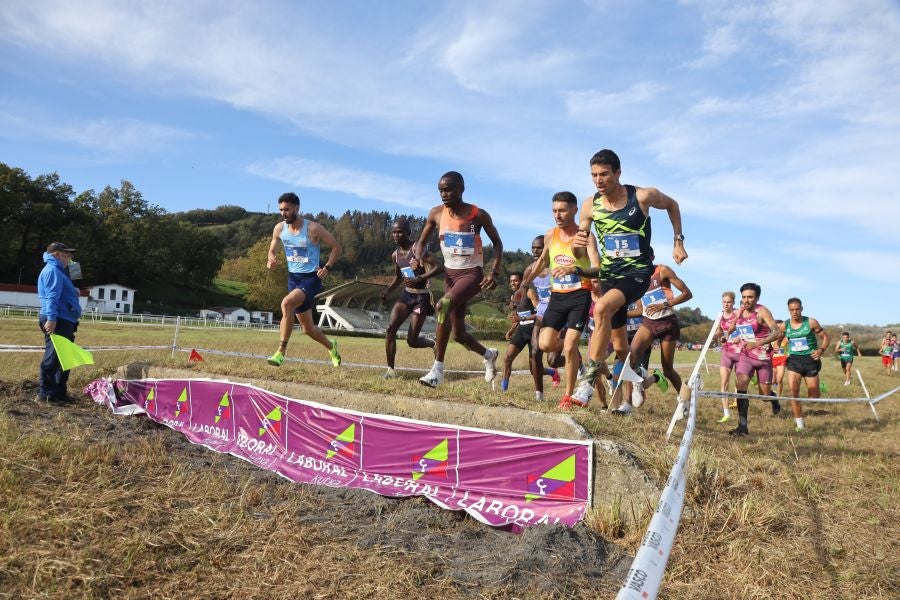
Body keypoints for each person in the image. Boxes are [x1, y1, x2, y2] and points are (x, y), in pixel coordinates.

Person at [572, 149, 688, 400]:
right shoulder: (590, 204)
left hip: (637, 273)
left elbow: (672, 205)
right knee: (621, 345)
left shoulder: (643, 196)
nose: (598, 180)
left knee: (602, 308)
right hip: (609, 276)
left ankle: (588, 382)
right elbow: (579, 249)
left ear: (618, 173)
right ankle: (639, 379)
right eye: (593, 175)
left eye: (604, 174)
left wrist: (678, 241)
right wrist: (578, 242)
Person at [414, 171, 503, 388]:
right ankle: (489, 354)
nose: (444, 194)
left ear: (461, 189)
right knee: (459, 335)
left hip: (472, 274)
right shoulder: (435, 214)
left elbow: (498, 244)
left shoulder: (478, 215)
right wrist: (417, 258)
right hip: (450, 275)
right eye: (441, 190)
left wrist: (495, 271)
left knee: (443, 305)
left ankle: (437, 371)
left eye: (449, 189)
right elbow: (421, 242)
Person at [515, 191, 601, 410]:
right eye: (554, 210)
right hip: (557, 297)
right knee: (544, 344)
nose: (557, 215)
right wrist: (526, 283)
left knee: (570, 346)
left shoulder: (585, 236)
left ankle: (568, 396)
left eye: (562, 210)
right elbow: (543, 261)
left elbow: (598, 269)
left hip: (579, 296)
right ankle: (574, 353)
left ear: (574, 210)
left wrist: (576, 268)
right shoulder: (550, 235)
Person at [266, 192, 342, 368]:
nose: (283, 213)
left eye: (287, 209)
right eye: (281, 210)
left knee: (286, 304)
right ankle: (332, 347)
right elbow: (272, 250)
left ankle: (280, 353)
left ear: (297, 208)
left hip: (311, 279)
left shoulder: (313, 229)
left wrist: (328, 267)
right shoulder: (279, 229)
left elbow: (336, 248)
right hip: (293, 279)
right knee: (308, 329)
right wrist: (271, 259)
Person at [611, 251, 692, 414]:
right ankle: (628, 404)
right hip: (648, 323)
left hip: (668, 323)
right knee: (629, 357)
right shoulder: (637, 279)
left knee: (668, 369)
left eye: (644, 257)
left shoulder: (662, 271)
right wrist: (618, 311)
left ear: (651, 258)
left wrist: (665, 305)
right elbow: (641, 310)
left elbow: (687, 294)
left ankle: (685, 403)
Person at [379, 218, 442, 379]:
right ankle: (391, 371)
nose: (396, 235)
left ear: (408, 232)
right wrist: (387, 291)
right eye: (393, 232)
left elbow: (439, 267)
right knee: (390, 329)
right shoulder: (395, 255)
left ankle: (433, 344)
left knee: (412, 341)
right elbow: (398, 276)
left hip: (421, 297)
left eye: (399, 231)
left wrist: (420, 277)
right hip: (406, 295)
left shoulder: (418, 249)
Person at [723, 283, 782, 437]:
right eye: (744, 297)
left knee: (764, 396)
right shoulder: (739, 312)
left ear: (757, 298)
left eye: (750, 297)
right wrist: (734, 337)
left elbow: (776, 332)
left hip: (763, 359)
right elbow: (736, 329)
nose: (746, 300)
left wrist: (758, 343)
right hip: (746, 356)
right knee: (740, 383)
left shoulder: (762, 312)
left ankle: (773, 397)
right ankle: (742, 426)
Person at [37, 242, 83, 403]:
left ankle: (59, 392)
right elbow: (51, 296)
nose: (70, 258)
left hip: (66, 318)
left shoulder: (61, 272)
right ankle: (46, 394)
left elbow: (61, 293)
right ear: (57, 255)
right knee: (54, 357)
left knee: (65, 357)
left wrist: (73, 291)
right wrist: (51, 318)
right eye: (66, 254)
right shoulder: (52, 271)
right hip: (58, 319)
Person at [781, 298, 830, 432]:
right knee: (793, 393)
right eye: (792, 310)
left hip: (810, 360)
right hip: (794, 361)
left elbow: (826, 337)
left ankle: (818, 387)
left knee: (813, 398)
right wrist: (773, 346)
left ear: (802, 309)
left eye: (797, 309)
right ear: (788, 310)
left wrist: (821, 350)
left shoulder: (811, 322)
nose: (795, 312)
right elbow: (778, 337)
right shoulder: (785, 325)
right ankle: (800, 425)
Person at [500, 271, 539, 393]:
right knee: (507, 357)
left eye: (515, 280)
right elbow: (518, 317)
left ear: (522, 281)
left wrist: (522, 318)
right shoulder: (513, 297)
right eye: (511, 281)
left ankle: (552, 372)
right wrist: (511, 331)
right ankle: (504, 390)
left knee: (534, 369)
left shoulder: (530, 292)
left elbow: (540, 313)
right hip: (522, 331)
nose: (513, 283)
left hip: (534, 331)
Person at [716, 291, 740, 423]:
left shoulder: (738, 314)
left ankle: (737, 402)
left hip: (741, 352)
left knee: (739, 381)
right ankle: (726, 414)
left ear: (733, 303)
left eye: (728, 302)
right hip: (727, 351)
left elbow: (747, 329)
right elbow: (720, 332)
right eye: (724, 301)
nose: (726, 304)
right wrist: (717, 335)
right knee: (724, 382)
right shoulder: (720, 316)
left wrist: (739, 337)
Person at [770, 326, 788, 397]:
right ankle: (772, 392)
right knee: (772, 381)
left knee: (779, 379)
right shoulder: (771, 338)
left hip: (782, 359)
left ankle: (778, 397)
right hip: (772, 360)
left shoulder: (786, 338)